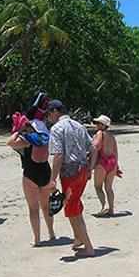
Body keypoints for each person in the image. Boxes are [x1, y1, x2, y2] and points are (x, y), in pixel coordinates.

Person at [45, 100, 97, 257]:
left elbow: (58, 155)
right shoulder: (78, 125)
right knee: (72, 205)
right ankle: (78, 238)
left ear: (55, 111)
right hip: (82, 169)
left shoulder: (57, 128)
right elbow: (93, 148)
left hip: (70, 172)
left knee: (73, 208)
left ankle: (89, 247)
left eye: (48, 113)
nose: (48, 117)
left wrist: (52, 179)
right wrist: (90, 168)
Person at [7, 117, 54, 247]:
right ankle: (51, 233)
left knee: (33, 208)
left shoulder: (28, 141)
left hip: (30, 173)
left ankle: (37, 239)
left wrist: (18, 130)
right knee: (46, 206)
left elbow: (10, 142)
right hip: (45, 172)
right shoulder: (46, 139)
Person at [92, 115, 120, 216]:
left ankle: (104, 206)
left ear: (103, 125)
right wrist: (117, 167)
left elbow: (96, 146)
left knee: (98, 186)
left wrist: (91, 162)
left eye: (98, 123)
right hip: (112, 162)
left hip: (102, 162)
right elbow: (115, 152)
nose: (96, 125)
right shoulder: (112, 136)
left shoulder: (100, 133)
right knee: (109, 188)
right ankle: (111, 210)